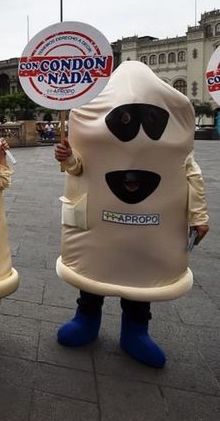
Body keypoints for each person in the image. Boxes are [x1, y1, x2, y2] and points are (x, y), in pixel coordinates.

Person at [53, 60, 209, 368]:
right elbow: (79, 169)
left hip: (152, 222)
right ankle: (86, 317)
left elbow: (191, 173)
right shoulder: (91, 122)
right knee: (93, 264)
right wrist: (69, 156)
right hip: (101, 218)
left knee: (142, 269)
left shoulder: (173, 135)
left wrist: (198, 215)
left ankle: (136, 331)